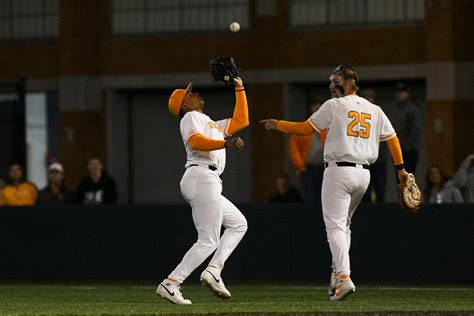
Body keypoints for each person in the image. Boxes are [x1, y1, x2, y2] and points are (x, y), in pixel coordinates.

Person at [261, 64, 409, 301]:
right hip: (363, 175)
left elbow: (304, 128)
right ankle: (335, 274)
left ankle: (344, 277)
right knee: (344, 226)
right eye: (330, 81)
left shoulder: (334, 105)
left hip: (339, 172)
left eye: (336, 80)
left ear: (351, 83)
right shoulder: (375, 109)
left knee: (335, 227)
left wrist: (277, 124)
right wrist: (400, 169)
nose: (331, 85)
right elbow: (392, 139)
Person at [156, 77, 249, 305]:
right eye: (190, 94)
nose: (195, 94)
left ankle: (214, 270)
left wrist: (239, 87)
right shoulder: (190, 117)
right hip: (201, 177)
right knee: (208, 240)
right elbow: (196, 142)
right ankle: (171, 283)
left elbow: (242, 120)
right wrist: (225, 143)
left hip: (207, 179)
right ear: (184, 105)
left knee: (238, 224)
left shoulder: (210, 122)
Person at [288, 98, 325, 204]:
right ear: (310, 109)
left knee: (324, 198)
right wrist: (301, 167)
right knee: (309, 198)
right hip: (308, 169)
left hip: (325, 168)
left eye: (320, 107)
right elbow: (293, 149)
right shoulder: (302, 127)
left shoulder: (328, 127)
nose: (317, 109)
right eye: (315, 107)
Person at [360, 89, 387, 203]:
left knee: (380, 190)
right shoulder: (358, 117)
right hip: (363, 160)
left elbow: (385, 137)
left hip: (379, 160)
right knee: (365, 192)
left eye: (370, 99)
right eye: (366, 99)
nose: (368, 101)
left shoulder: (380, 116)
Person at [393, 83, 421, 173]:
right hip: (399, 150)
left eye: (402, 92)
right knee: (400, 179)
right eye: (397, 92)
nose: (399, 94)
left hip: (409, 150)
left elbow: (416, 129)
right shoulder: (397, 109)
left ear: (407, 94)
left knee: (408, 178)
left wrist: (407, 146)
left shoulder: (412, 109)